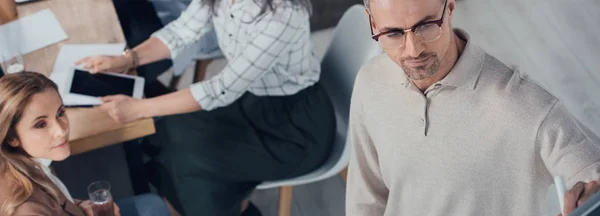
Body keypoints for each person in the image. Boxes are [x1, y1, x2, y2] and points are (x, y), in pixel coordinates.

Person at [75, 0, 336, 215]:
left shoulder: (284, 14)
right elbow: (180, 32)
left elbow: (220, 88)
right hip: (250, 101)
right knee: (171, 130)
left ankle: (233, 208)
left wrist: (139, 109)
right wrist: (127, 59)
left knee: (195, 158)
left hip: (293, 127)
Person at [346, 0, 600, 216]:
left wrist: (590, 197)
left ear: (450, 7)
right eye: (393, 34)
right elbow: (366, 199)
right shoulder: (370, 82)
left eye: (426, 26)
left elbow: (591, 175)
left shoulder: (525, 108)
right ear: (373, 23)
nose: (413, 49)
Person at [0, 72, 173, 216]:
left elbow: (53, 200)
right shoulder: (25, 209)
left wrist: (79, 206)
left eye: (60, 113)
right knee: (153, 205)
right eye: (40, 124)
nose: (61, 131)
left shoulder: (29, 161)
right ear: (11, 137)